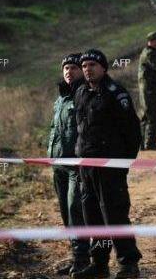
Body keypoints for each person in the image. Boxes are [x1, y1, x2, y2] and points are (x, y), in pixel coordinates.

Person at [72, 49, 143, 279]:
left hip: (110, 168)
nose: (87, 69)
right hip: (87, 167)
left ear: (103, 68)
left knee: (115, 214)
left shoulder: (116, 93)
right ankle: (100, 264)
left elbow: (132, 131)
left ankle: (128, 264)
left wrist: (123, 163)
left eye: (92, 64)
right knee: (92, 216)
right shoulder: (81, 92)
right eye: (84, 66)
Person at [48, 53, 90, 276]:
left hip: (77, 167)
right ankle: (77, 258)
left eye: (73, 68)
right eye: (65, 68)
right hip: (58, 165)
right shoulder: (61, 98)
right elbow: (55, 131)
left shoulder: (85, 95)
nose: (68, 71)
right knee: (66, 214)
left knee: (76, 212)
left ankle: (84, 259)